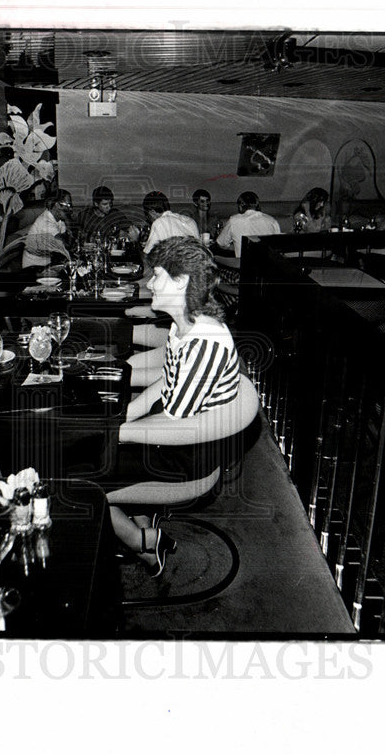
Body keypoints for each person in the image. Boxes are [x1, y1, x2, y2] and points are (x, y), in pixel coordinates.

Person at [109, 236, 242, 575]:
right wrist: (126, 414)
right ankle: (140, 519)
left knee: (68, 479)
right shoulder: (185, 324)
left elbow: (175, 424)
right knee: (86, 445)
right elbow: (165, 383)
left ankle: (146, 544)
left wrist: (116, 432)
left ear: (181, 281)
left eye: (157, 275)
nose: (150, 283)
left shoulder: (204, 341)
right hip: (173, 437)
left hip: (187, 455)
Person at [215, 191, 281, 258]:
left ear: (240, 206)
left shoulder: (234, 220)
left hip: (244, 266)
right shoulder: (272, 220)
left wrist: (237, 246)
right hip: (268, 266)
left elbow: (221, 244)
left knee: (216, 259)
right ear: (257, 205)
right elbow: (278, 246)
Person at [21, 190, 74, 268]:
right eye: (68, 205)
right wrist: (69, 222)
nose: (70, 209)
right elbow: (65, 245)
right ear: (57, 205)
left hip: (48, 262)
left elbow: (67, 238)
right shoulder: (46, 222)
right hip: (35, 267)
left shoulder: (58, 219)